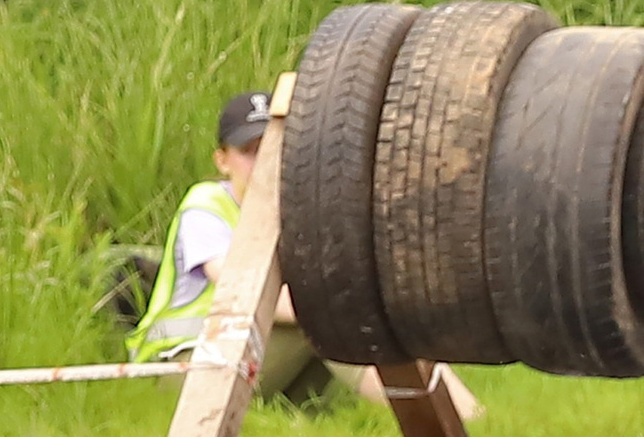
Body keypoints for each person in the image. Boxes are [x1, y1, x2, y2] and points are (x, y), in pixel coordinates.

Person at [125, 91, 480, 417]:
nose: (264, 162)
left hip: (245, 356)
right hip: (184, 370)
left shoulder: (293, 210)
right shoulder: (207, 205)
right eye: (249, 151)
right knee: (330, 323)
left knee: (350, 323)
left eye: (273, 149)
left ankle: (464, 420)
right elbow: (243, 290)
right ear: (222, 160)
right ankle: (456, 421)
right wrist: (335, 308)